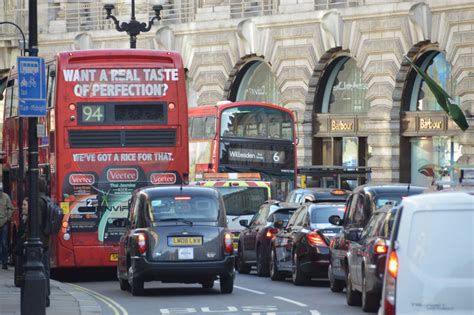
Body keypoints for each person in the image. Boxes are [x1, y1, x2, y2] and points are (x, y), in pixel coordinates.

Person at [38, 176, 51, 307]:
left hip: (39, 241)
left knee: (40, 270)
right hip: (47, 240)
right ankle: (46, 296)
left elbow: (37, 223)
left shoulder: (38, 201)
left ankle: (43, 297)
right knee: (46, 270)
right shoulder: (48, 200)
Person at [0, 183, 14, 270]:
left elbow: (10, 208)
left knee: (4, 243)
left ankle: (4, 262)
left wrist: (8, 218)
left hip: (4, 222)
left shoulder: (6, 197)